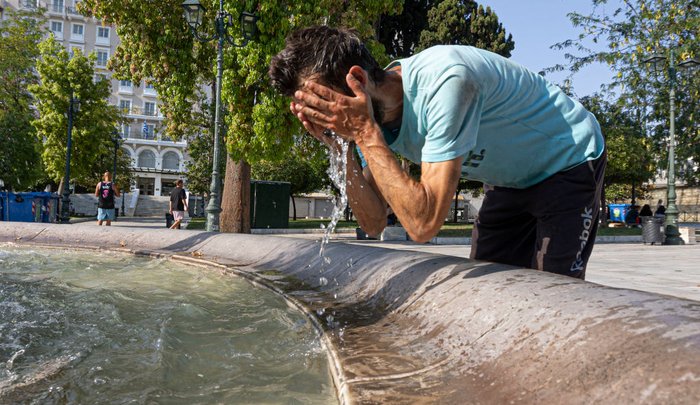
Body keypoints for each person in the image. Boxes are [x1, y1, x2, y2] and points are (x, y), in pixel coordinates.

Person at [269, 26, 606, 279]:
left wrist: (362, 132)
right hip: (509, 181)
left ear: (357, 78)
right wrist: (339, 146)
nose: (329, 117)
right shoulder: (370, 120)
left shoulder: (446, 82)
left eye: (326, 103)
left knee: (554, 294)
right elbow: (372, 222)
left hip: (568, 159)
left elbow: (423, 224)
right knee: (489, 291)